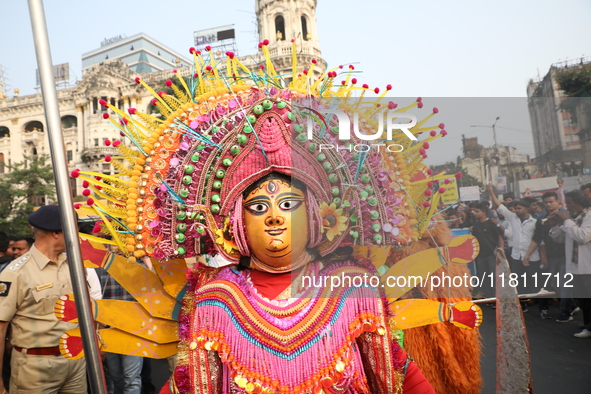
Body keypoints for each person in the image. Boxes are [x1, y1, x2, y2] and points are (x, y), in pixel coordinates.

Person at [0, 205, 87, 393]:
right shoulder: (16, 273)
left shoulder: (74, 265)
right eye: (73, 229)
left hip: (75, 362)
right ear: (56, 233)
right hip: (34, 368)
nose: (77, 235)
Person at [488, 185, 539, 309]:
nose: (516, 210)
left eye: (519, 208)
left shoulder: (536, 222)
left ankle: (541, 306)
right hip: (516, 256)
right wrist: (491, 192)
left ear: (527, 209)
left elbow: (537, 240)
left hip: (532, 257)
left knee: (535, 282)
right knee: (518, 282)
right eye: (515, 208)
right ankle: (522, 304)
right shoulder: (513, 218)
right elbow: (500, 206)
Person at [549, 190, 591, 338]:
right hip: (575, 267)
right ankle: (588, 327)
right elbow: (560, 238)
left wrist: (566, 220)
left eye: (570, 203)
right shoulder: (575, 217)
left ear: (579, 203)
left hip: (588, 267)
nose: (567, 206)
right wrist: (554, 225)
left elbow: (582, 237)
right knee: (583, 300)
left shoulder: (588, 216)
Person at [523, 192, 571, 320]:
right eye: (546, 202)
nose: (549, 204)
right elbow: (538, 239)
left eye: (551, 202)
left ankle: (566, 312)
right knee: (554, 284)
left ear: (558, 202)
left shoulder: (566, 216)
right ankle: (570, 306)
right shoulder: (541, 219)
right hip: (550, 256)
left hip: (567, 254)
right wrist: (531, 255)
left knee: (563, 283)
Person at [470, 203, 504, 300]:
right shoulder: (475, 225)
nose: (474, 213)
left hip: (492, 254)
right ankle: (488, 295)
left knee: (494, 275)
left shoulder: (492, 223)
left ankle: (496, 296)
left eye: (477, 211)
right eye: (473, 211)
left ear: (484, 212)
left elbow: (499, 237)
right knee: (483, 275)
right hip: (480, 255)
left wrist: (501, 250)